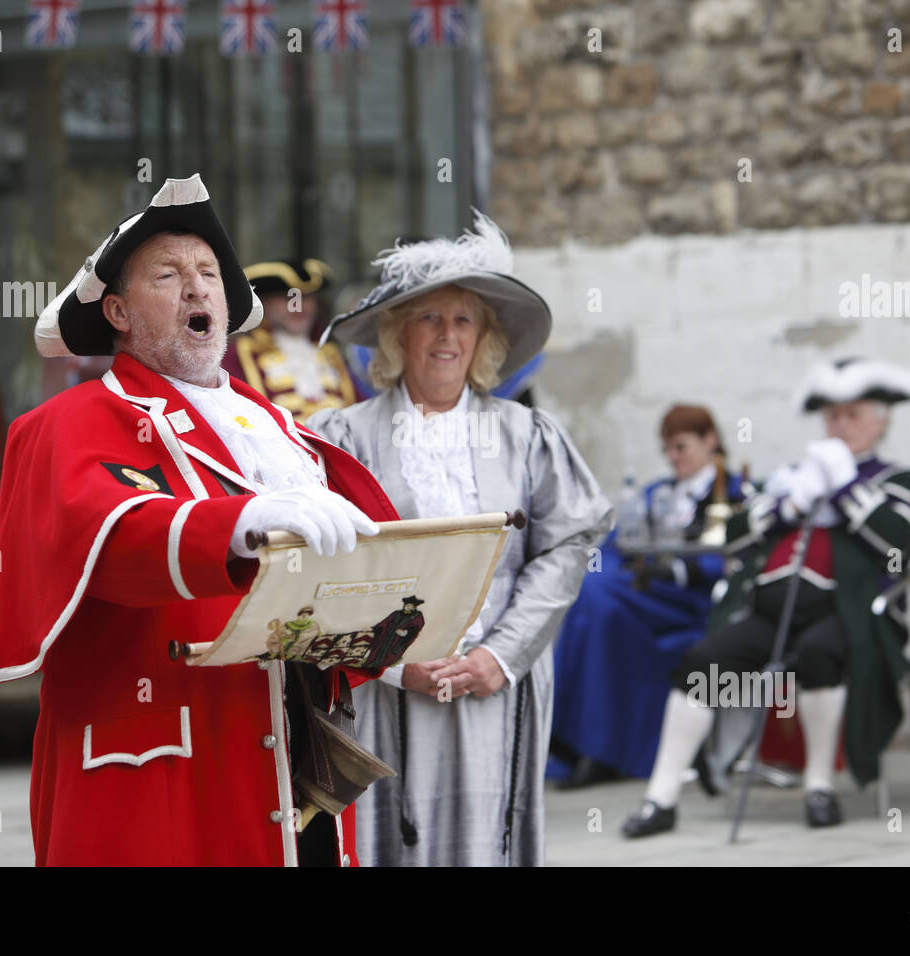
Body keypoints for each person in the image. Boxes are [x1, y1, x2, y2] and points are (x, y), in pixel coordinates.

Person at [0, 174, 401, 866]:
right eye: (168, 275)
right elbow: (108, 537)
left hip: (287, 750)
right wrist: (237, 521)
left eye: (208, 274)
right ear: (117, 313)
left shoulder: (273, 425)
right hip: (155, 761)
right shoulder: (67, 423)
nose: (198, 288)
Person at [308, 213, 613, 866]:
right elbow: (320, 565)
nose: (447, 336)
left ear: (484, 339)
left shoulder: (528, 434)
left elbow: (569, 545)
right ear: (397, 334)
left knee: (484, 842)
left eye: (463, 320)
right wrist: (391, 662)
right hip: (381, 686)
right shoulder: (341, 438)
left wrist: (500, 656)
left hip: (495, 681)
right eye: (429, 318)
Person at [622, 357, 910, 837]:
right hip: (771, 613)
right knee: (703, 661)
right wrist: (790, 504)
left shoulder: (897, 481)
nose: (840, 425)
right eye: (832, 415)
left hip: (848, 616)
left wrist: (849, 490)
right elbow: (731, 536)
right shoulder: (797, 476)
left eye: (853, 415)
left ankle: (819, 787)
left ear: (881, 422)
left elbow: (905, 543)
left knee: (819, 653)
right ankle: (660, 799)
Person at [549, 405, 750, 788]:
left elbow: (737, 554)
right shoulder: (658, 492)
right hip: (645, 597)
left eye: (681, 446)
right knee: (592, 593)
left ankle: (590, 745)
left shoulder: (734, 490)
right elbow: (620, 540)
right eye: (668, 450)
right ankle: (585, 743)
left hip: (693, 603)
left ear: (710, 440)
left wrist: (675, 570)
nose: (674, 458)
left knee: (598, 599)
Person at [222, 257, 359, 423]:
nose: (299, 306)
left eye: (307, 298)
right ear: (265, 302)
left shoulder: (332, 355)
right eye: (288, 298)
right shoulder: (237, 356)